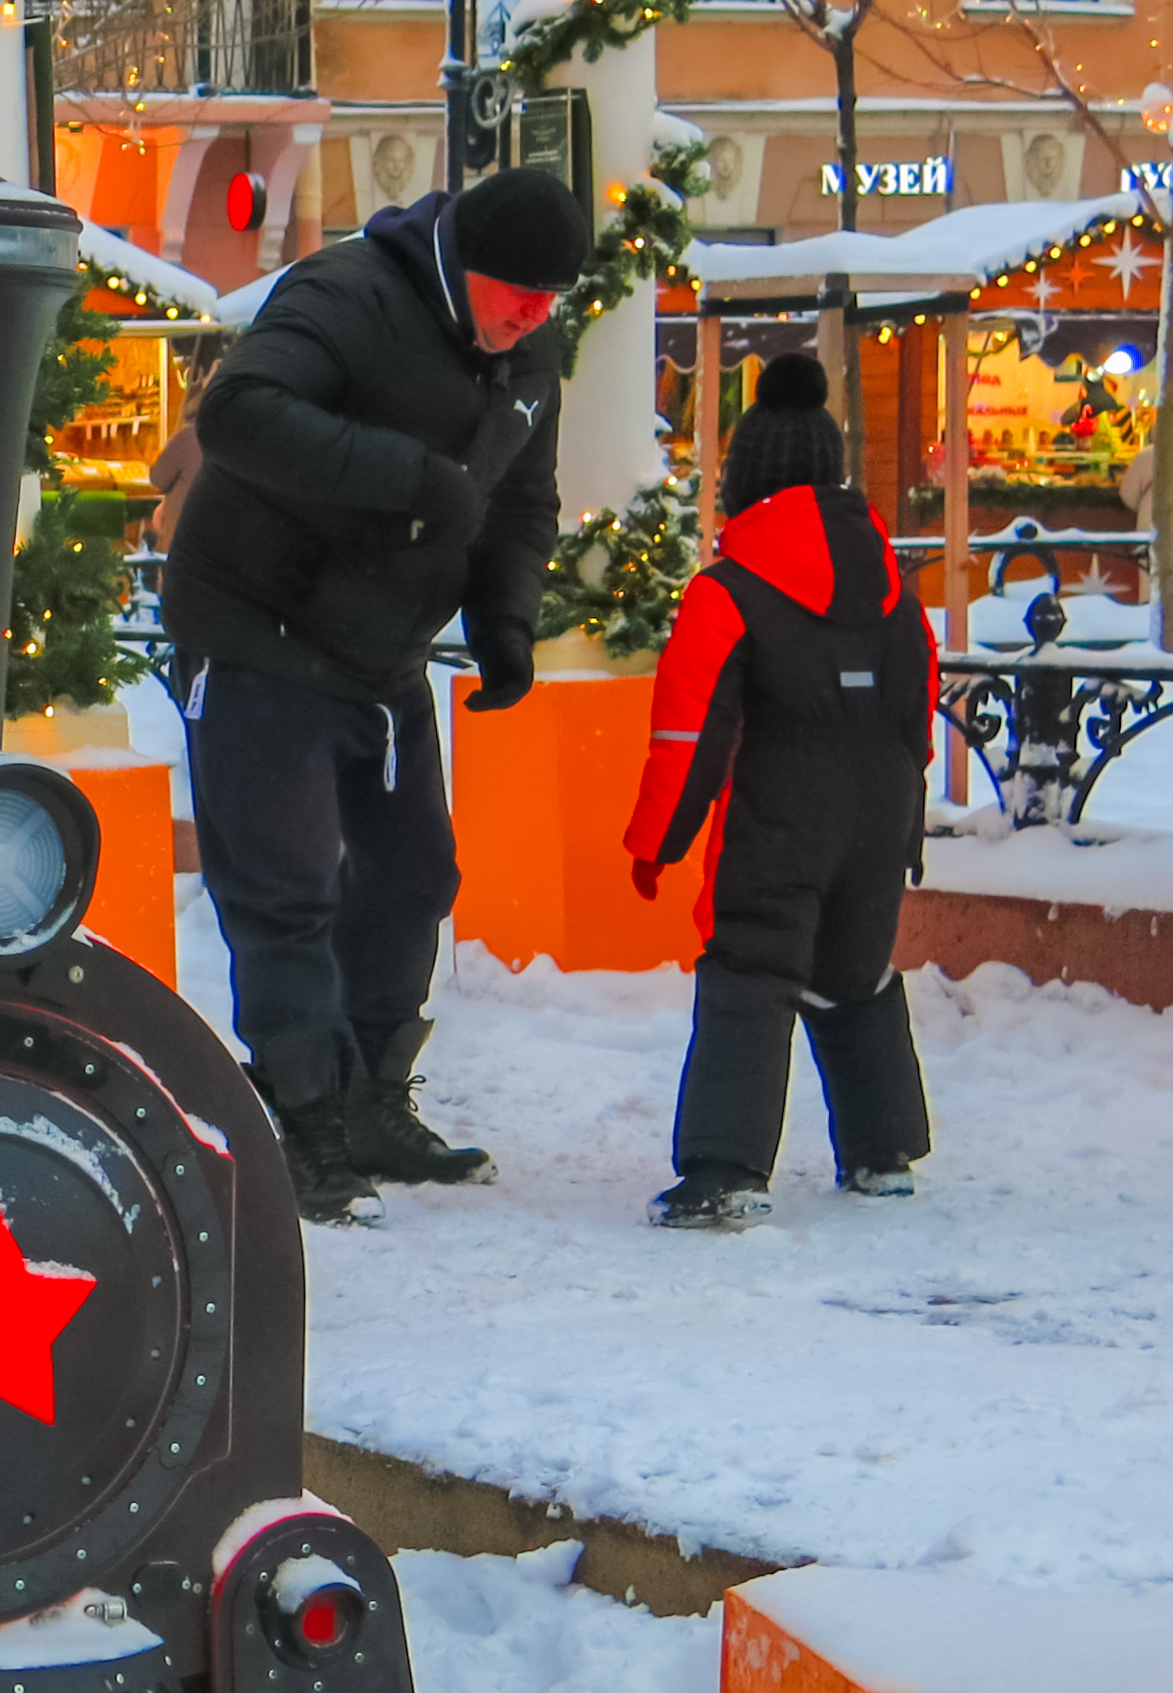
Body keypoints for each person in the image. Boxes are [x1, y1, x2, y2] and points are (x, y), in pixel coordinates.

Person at [165, 164, 587, 1222]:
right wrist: (406, 475)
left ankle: (371, 1101)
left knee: (410, 878)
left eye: (549, 304)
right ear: (463, 263)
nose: (530, 321)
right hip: (255, 629)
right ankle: (301, 1117)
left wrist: (505, 624)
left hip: (381, 656)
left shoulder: (530, 352)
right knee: (288, 890)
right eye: (515, 297)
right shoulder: (346, 294)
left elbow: (522, 500)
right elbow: (239, 414)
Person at [623, 353, 937, 1229]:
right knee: (854, 973)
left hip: (776, 822)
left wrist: (659, 840)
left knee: (750, 972)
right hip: (877, 819)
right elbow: (920, 712)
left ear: (743, 484)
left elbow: (690, 734)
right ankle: (885, 1152)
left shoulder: (728, 592)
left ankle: (725, 1172)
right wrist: (903, 833)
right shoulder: (893, 587)